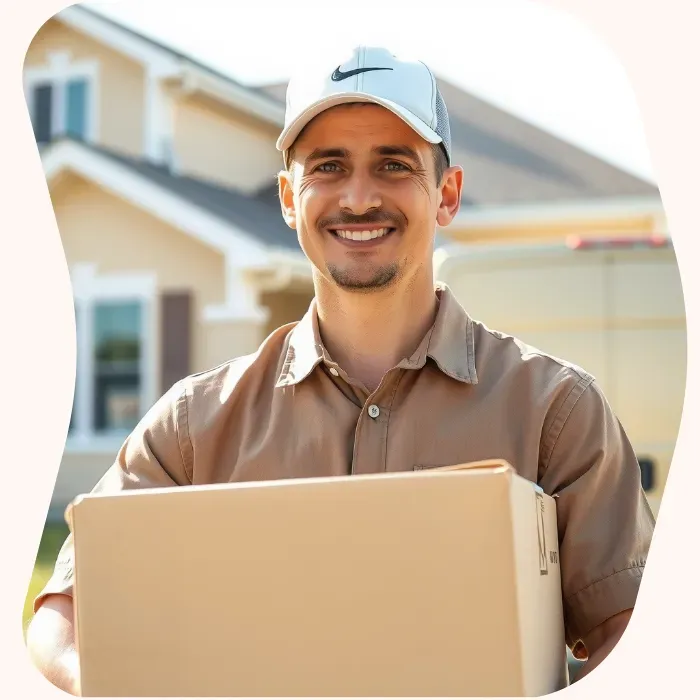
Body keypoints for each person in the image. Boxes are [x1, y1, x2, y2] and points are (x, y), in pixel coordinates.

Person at [26, 46, 655, 695]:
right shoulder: (195, 426)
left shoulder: (556, 410)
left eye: (393, 164)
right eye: (328, 166)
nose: (359, 197)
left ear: (446, 194)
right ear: (288, 200)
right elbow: (62, 617)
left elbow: (633, 632)